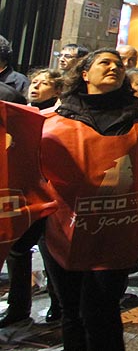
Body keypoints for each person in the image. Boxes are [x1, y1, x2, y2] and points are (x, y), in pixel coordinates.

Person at [39, 48, 138, 350]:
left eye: (118, 64)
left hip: (119, 232)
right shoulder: (53, 120)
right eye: (104, 62)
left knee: (103, 312)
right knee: (72, 314)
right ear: (84, 74)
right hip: (63, 233)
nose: (113, 67)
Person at [0, 68, 64, 328]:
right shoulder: (19, 113)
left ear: (58, 90)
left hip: (48, 193)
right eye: (34, 82)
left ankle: (59, 303)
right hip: (24, 191)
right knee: (18, 249)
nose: (35, 87)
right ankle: (19, 305)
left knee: (50, 251)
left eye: (43, 83)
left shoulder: (60, 117)